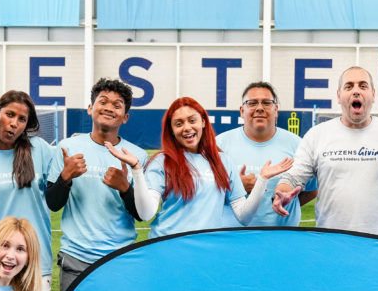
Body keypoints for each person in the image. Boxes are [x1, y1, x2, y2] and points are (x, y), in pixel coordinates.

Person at [118, 97, 292, 237]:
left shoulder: (223, 161)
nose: (187, 127)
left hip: (207, 252)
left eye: (192, 120)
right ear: (171, 130)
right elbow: (146, 214)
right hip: (168, 248)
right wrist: (137, 170)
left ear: (202, 122)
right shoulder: (162, 161)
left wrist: (262, 180)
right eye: (178, 124)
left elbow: (244, 217)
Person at [271, 65, 378, 237]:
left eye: (363, 86)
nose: (356, 91)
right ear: (339, 96)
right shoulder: (317, 135)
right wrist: (282, 193)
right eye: (349, 86)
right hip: (330, 246)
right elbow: (293, 178)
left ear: (373, 95)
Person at [46, 78, 147, 291]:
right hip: (75, 259)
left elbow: (141, 214)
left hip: (119, 258)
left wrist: (125, 188)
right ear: (91, 108)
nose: (109, 108)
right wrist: (65, 177)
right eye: (103, 101)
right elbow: (53, 203)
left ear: (126, 117)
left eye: (117, 105)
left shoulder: (136, 156)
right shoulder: (67, 148)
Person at [0, 91, 59, 291]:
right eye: (9, 115)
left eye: (21, 119)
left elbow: (58, 196)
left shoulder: (40, 149)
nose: (14, 124)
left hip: (36, 258)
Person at [216, 81, 316, 226]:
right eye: (252, 103)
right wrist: (235, 189)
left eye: (267, 103)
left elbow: (312, 189)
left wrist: (286, 203)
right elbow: (205, 193)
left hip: (280, 239)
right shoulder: (219, 145)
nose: (260, 108)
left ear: (276, 110)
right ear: (242, 111)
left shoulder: (298, 145)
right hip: (232, 238)